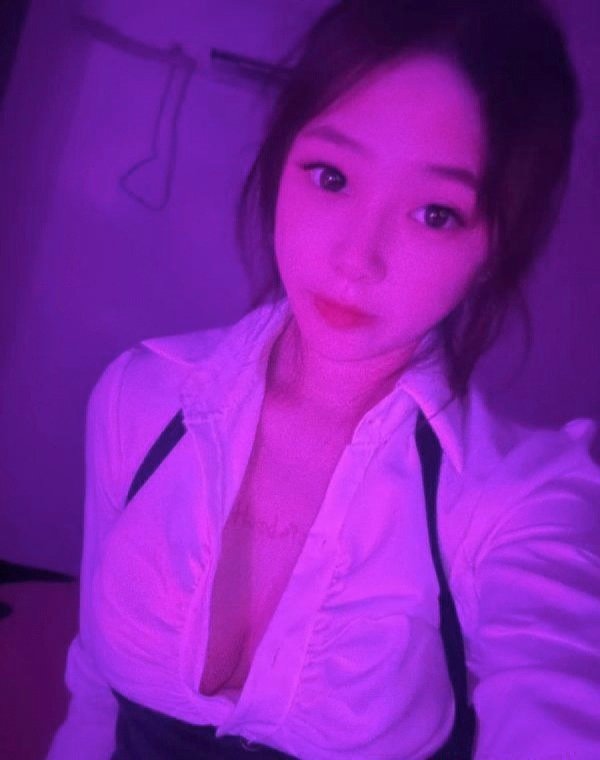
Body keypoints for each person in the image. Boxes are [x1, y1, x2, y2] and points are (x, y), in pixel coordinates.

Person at [48, 0, 600, 758]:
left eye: (435, 214)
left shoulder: (517, 501)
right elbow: (93, 686)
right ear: (281, 164)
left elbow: (559, 697)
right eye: (332, 176)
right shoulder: (140, 397)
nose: (356, 259)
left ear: (493, 251)